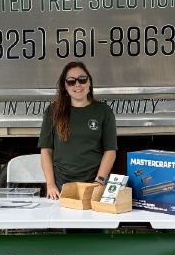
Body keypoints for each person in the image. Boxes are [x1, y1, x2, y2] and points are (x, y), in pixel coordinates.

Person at [39, 61, 117, 199]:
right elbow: (46, 151)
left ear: (89, 82)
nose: (77, 84)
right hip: (61, 185)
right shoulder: (53, 111)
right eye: (71, 81)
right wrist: (50, 184)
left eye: (82, 79)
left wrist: (99, 181)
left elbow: (110, 151)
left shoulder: (104, 111)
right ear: (65, 86)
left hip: (94, 184)